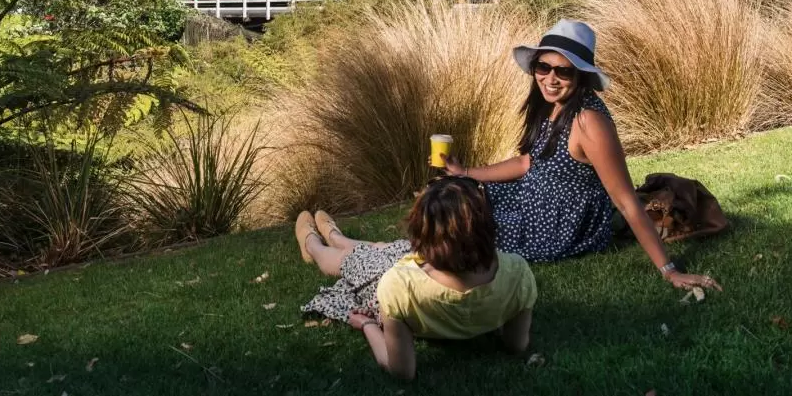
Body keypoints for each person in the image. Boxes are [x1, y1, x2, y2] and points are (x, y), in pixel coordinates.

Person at [442, 19, 723, 293]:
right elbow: (527, 162)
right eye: (543, 66)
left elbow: (625, 200)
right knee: (451, 194)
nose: (550, 78)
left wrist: (669, 270)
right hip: (531, 198)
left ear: (580, 75)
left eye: (563, 71)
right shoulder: (549, 105)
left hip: (558, 224)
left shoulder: (589, 120)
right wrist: (465, 171)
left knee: (461, 228)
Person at [296, 177, 537, 380]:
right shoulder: (517, 271)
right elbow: (517, 345)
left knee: (351, 259)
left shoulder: (399, 287)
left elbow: (401, 371)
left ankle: (313, 245)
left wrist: (367, 325)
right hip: (436, 265)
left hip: (403, 277)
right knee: (384, 247)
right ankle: (337, 237)